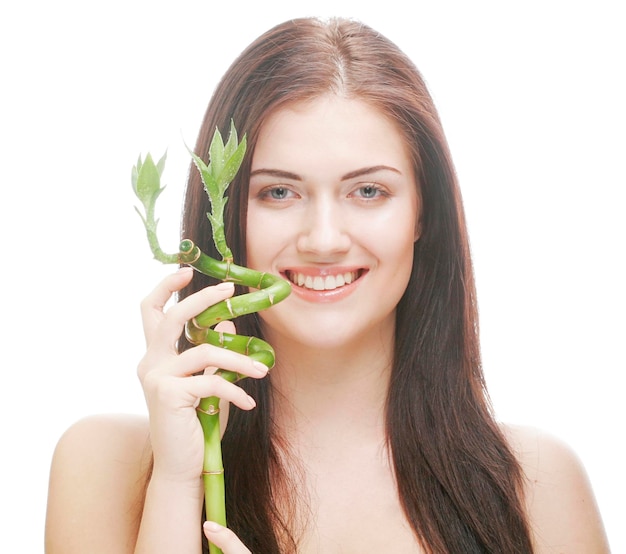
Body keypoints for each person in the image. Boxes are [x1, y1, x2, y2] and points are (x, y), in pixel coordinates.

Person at [44, 17, 610, 554]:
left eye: (368, 192)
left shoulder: (538, 485)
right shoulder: (105, 465)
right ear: (226, 214)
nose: (323, 239)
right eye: (278, 193)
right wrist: (176, 481)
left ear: (424, 214)